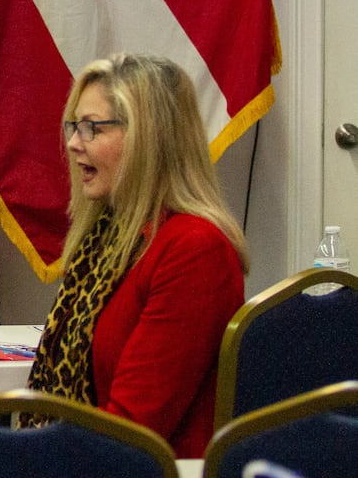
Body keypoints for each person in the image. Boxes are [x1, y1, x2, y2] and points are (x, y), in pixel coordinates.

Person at [27, 53, 248, 457]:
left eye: (93, 128)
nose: (74, 143)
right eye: (74, 126)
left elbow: (132, 430)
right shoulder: (108, 239)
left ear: (148, 138)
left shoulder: (194, 250)